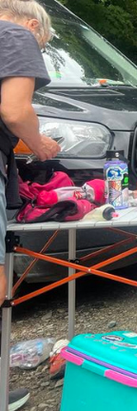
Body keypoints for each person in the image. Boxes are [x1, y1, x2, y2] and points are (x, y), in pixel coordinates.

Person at [1, 0, 60, 409]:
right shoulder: (15, 33)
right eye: (45, 39)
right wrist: (38, 143)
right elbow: (14, 109)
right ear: (32, 24)